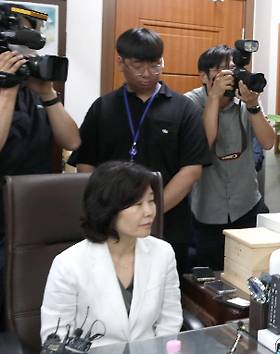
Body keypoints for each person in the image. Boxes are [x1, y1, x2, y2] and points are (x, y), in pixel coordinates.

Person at [68, 28, 211, 275]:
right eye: (138, 65)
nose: (147, 73)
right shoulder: (104, 107)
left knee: (165, 295)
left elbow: (192, 170)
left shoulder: (183, 108)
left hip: (169, 226)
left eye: (155, 65)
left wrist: (150, 211)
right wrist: (111, 212)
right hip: (112, 226)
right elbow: (86, 164)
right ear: (120, 62)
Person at [40, 161, 182, 348]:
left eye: (151, 200)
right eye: (138, 204)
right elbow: (55, 336)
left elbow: (170, 320)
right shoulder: (68, 264)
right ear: (108, 209)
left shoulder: (163, 253)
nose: (149, 212)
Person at [0, 4, 80, 330]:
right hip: (1, 214)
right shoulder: (7, 89)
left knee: (33, 299)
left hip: (34, 211)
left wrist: (47, 94)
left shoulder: (31, 88)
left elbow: (72, 140)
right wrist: (5, 92)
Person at [185, 45, 275, 270]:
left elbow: (268, 142)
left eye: (232, 69)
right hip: (207, 211)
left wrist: (253, 104)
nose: (228, 76)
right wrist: (214, 98)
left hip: (247, 205)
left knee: (251, 272)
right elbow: (203, 145)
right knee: (209, 281)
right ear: (204, 76)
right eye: (221, 70)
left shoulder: (244, 102)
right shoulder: (190, 103)